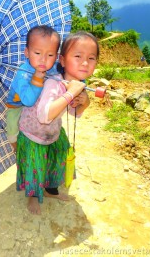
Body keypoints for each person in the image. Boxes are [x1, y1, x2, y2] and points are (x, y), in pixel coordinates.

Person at [16, 31, 99, 214]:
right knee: (34, 166)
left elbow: (73, 112)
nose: (85, 63)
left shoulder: (75, 83)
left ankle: (50, 190)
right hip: (33, 133)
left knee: (56, 161)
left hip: (53, 131)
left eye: (91, 58)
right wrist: (70, 93)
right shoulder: (53, 83)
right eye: (78, 56)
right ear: (62, 60)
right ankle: (32, 196)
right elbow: (44, 116)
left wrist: (83, 101)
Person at [6, 25, 60, 152]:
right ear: (27, 52)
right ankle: (18, 150)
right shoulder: (23, 73)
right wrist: (37, 79)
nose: (43, 59)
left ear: (57, 56)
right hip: (18, 105)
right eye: (37, 53)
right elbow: (28, 101)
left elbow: (66, 73)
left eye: (50, 55)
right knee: (12, 131)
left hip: (38, 103)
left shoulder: (52, 67)